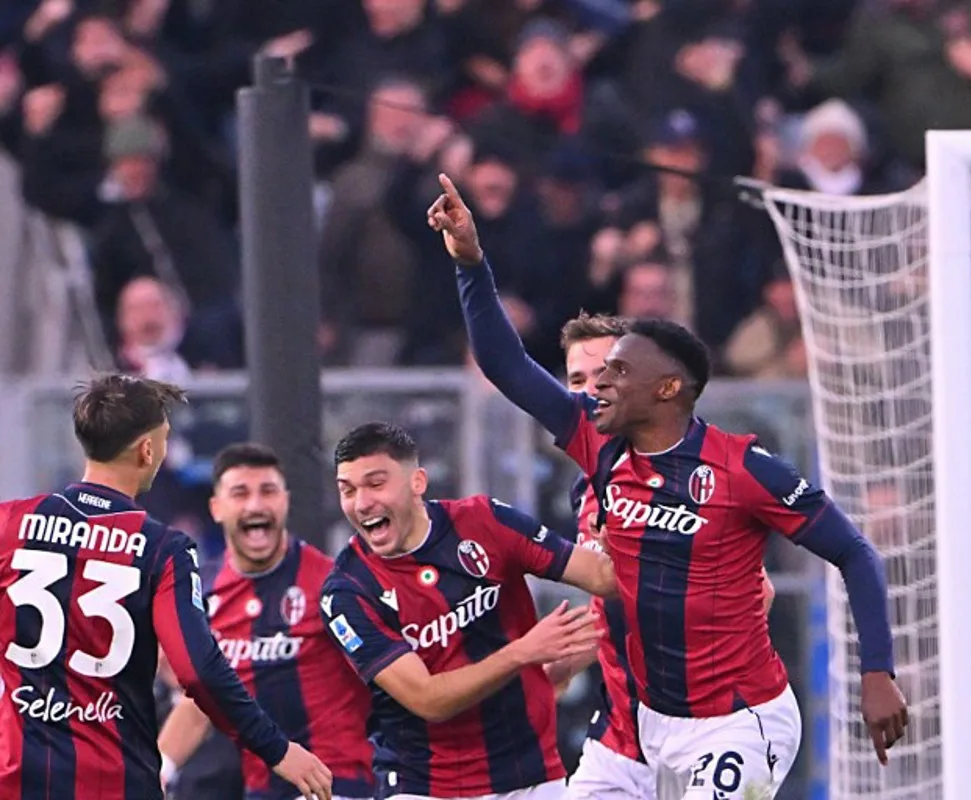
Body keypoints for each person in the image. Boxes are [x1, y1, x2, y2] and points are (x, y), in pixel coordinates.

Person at [429, 173, 907, 799]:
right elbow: (506, 364)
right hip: (637, 729)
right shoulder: (596, 444)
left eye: (616, 372)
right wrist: (470, 263)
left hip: (737, 721)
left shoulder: (744, 470)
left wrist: (878, 672)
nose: (595, 386)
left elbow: (854, 552)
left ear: (667, 388)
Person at [0, 374, 332, 800]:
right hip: (115, 783)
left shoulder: (11, 524)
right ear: (147, 449)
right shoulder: (161, 549)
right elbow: (198, 670)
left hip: (18, 780)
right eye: (165, 438)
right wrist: (277, 749)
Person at [543, 313, 777, 799]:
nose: (592, 390)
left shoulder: (698, 474)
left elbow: (761, 592)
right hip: (621, 734)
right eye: (577, 381)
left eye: (607, 371)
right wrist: (567, 659)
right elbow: (618, 605)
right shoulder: (587, 488)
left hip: (706, 726)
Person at [319, 422, 619, 799]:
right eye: (348, 490)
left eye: (376, 484)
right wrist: (521, 654)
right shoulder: (347, 592)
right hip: (425, 786)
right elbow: (427, 699)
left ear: (417, 482)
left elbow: (603, 578)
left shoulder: (485, 521)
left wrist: (620, 540)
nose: (361, 503)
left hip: (531, 773)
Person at [158, 443, 374, 800]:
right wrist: (158, 770)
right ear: (217, 508)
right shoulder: (207, 598)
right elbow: (201, 703)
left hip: (339, 786)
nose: (256, 505)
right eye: (240, 493)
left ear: (285, 502)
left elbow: (388, 682)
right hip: (261, 790)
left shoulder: (334, 585)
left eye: (268, 491)